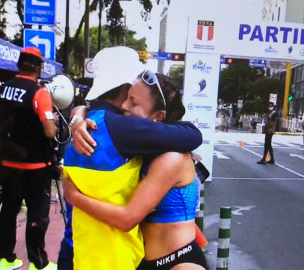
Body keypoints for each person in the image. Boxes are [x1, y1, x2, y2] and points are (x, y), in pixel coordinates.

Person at [58, 47, 202, 270]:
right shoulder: (121, 132)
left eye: (135, 103)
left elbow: (128, 217)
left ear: (157, 117)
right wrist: (79, 114)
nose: (126, 106)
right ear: (124, 87)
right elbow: (193, 134)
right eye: (130, 99)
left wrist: (78, 115)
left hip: (84, 250)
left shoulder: (103, 128)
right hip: (109, 257)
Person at [0, 47, 57, 270]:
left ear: (19, 65)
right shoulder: (39, 92)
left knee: (9, 210)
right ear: (38, 68)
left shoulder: (2, 91)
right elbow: (49, 132)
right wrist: (54, 124)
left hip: (9, 163)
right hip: (36, 164)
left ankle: (6, 259)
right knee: (37, 213)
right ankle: (38, 263)